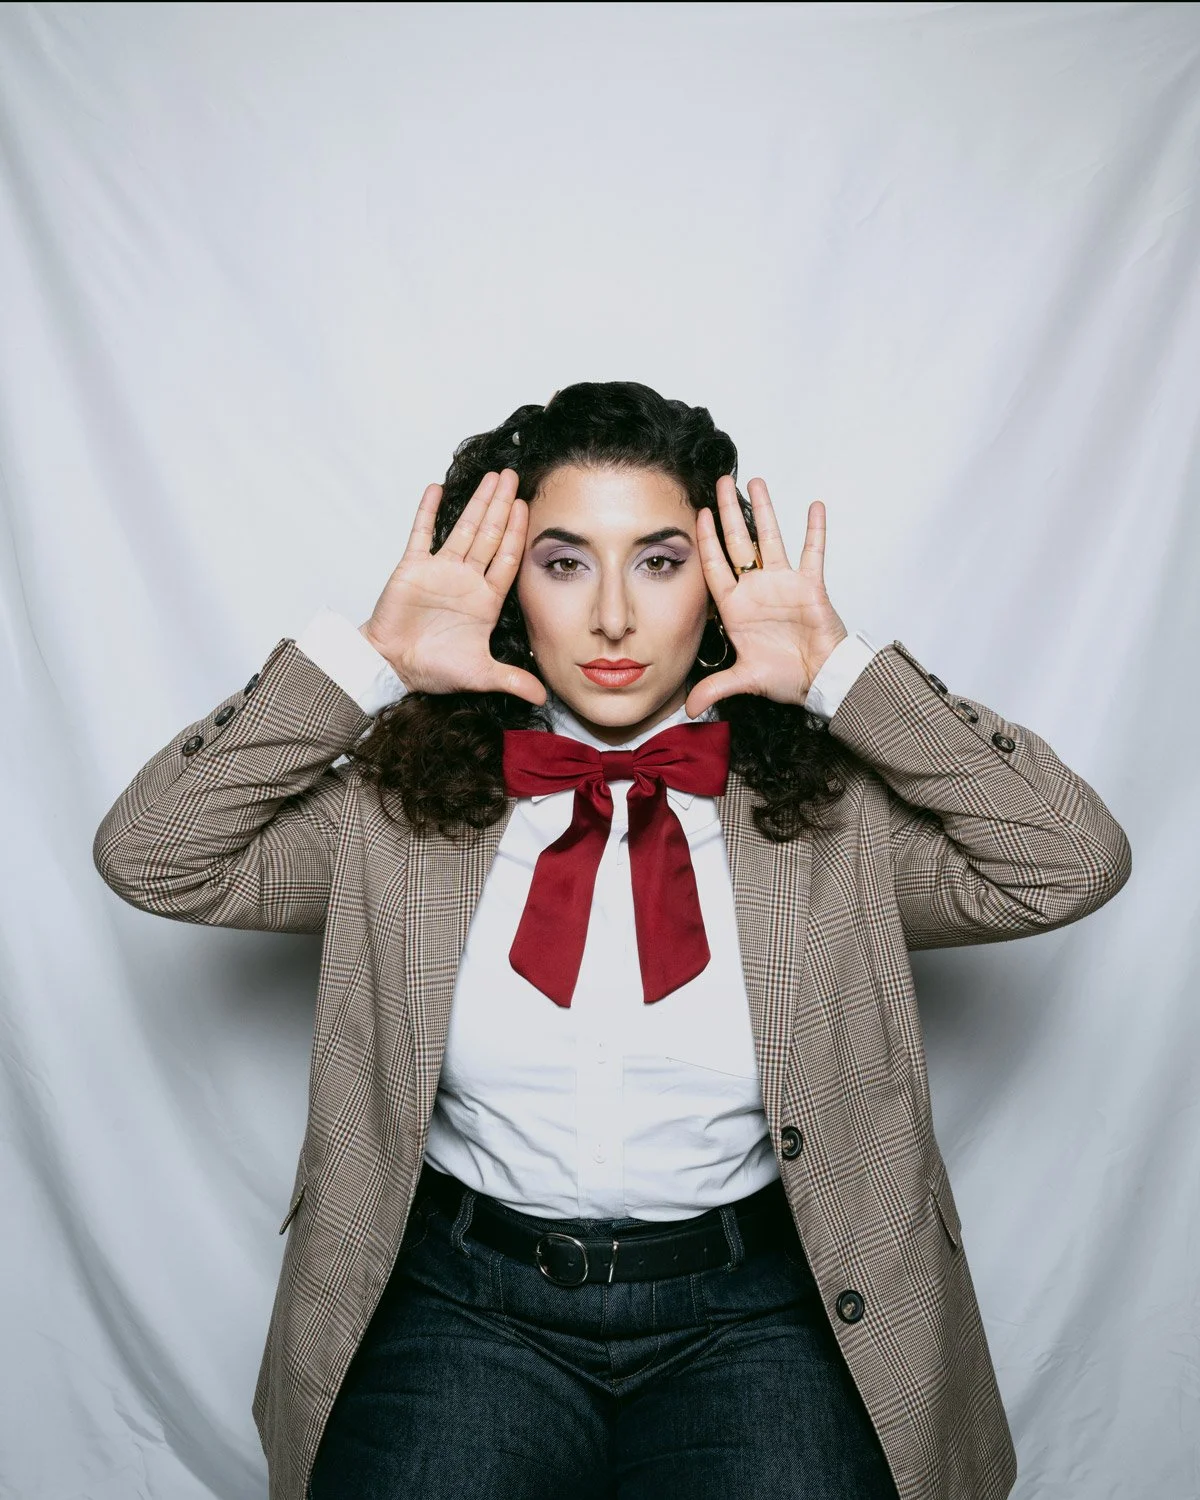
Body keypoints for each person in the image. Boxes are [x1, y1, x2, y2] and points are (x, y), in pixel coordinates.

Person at [93, 381, 1131, 1500]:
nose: (614, 620)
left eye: (659, 561)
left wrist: (844, 675)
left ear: (716, 586)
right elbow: (154, 854)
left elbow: (1068, 861)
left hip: (763, 1310)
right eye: (564, 563)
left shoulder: (836, 829)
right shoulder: (391, 823)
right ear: (508, 587)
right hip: (462, 1306)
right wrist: (370, 660)